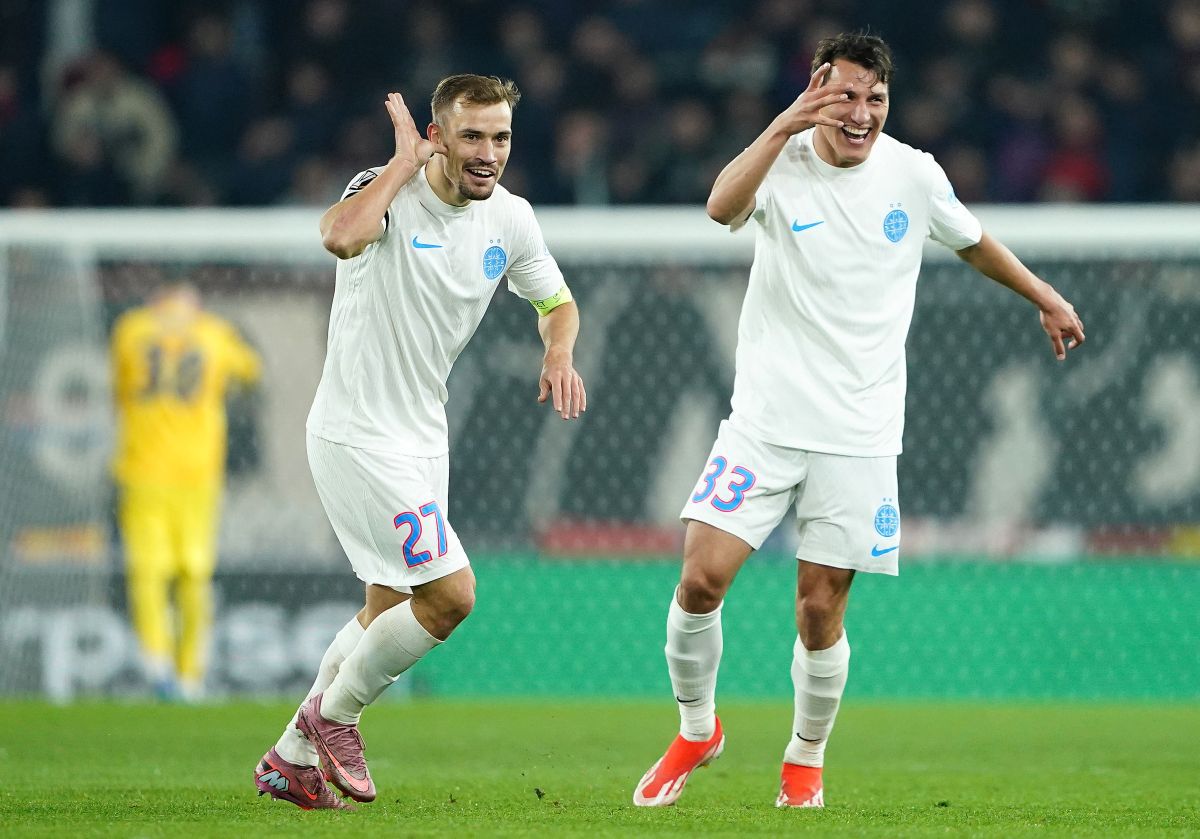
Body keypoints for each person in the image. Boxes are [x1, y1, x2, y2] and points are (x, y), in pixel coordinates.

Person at [632, 32, 1085, 810]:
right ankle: (697, 727)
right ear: (817, 92)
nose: (862, 112)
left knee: (819, 609)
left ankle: (805, 757)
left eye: (875, 98)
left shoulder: (912, 173)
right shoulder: (783, 163)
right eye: (846, 95)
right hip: (765, 422)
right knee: (700, 579)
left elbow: (972, 242)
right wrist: (780, 127)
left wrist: (1043, 294)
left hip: (860, 433)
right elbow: (720, 207)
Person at [254, 74, 586, 811]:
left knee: (387, 605)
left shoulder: (511, 218)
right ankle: (334, 717)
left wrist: (557, 350)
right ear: (436, 136)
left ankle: (289, 757)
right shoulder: (386, 189)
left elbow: (556, 301)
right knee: (450, 596)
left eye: (500, 137)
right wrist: (402, 163)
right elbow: (339, 236)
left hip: (421, 437)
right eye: (471, 135)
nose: (488, 152)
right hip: (356, 431)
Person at [110, 281, 261, 701]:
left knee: (148, 569)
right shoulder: (213, 332)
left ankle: (155, 658)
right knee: (194, 574)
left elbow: (120, 387)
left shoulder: (131, 328)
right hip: (197, 473)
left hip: (143, 468)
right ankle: (190, 674)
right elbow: (250, 370)